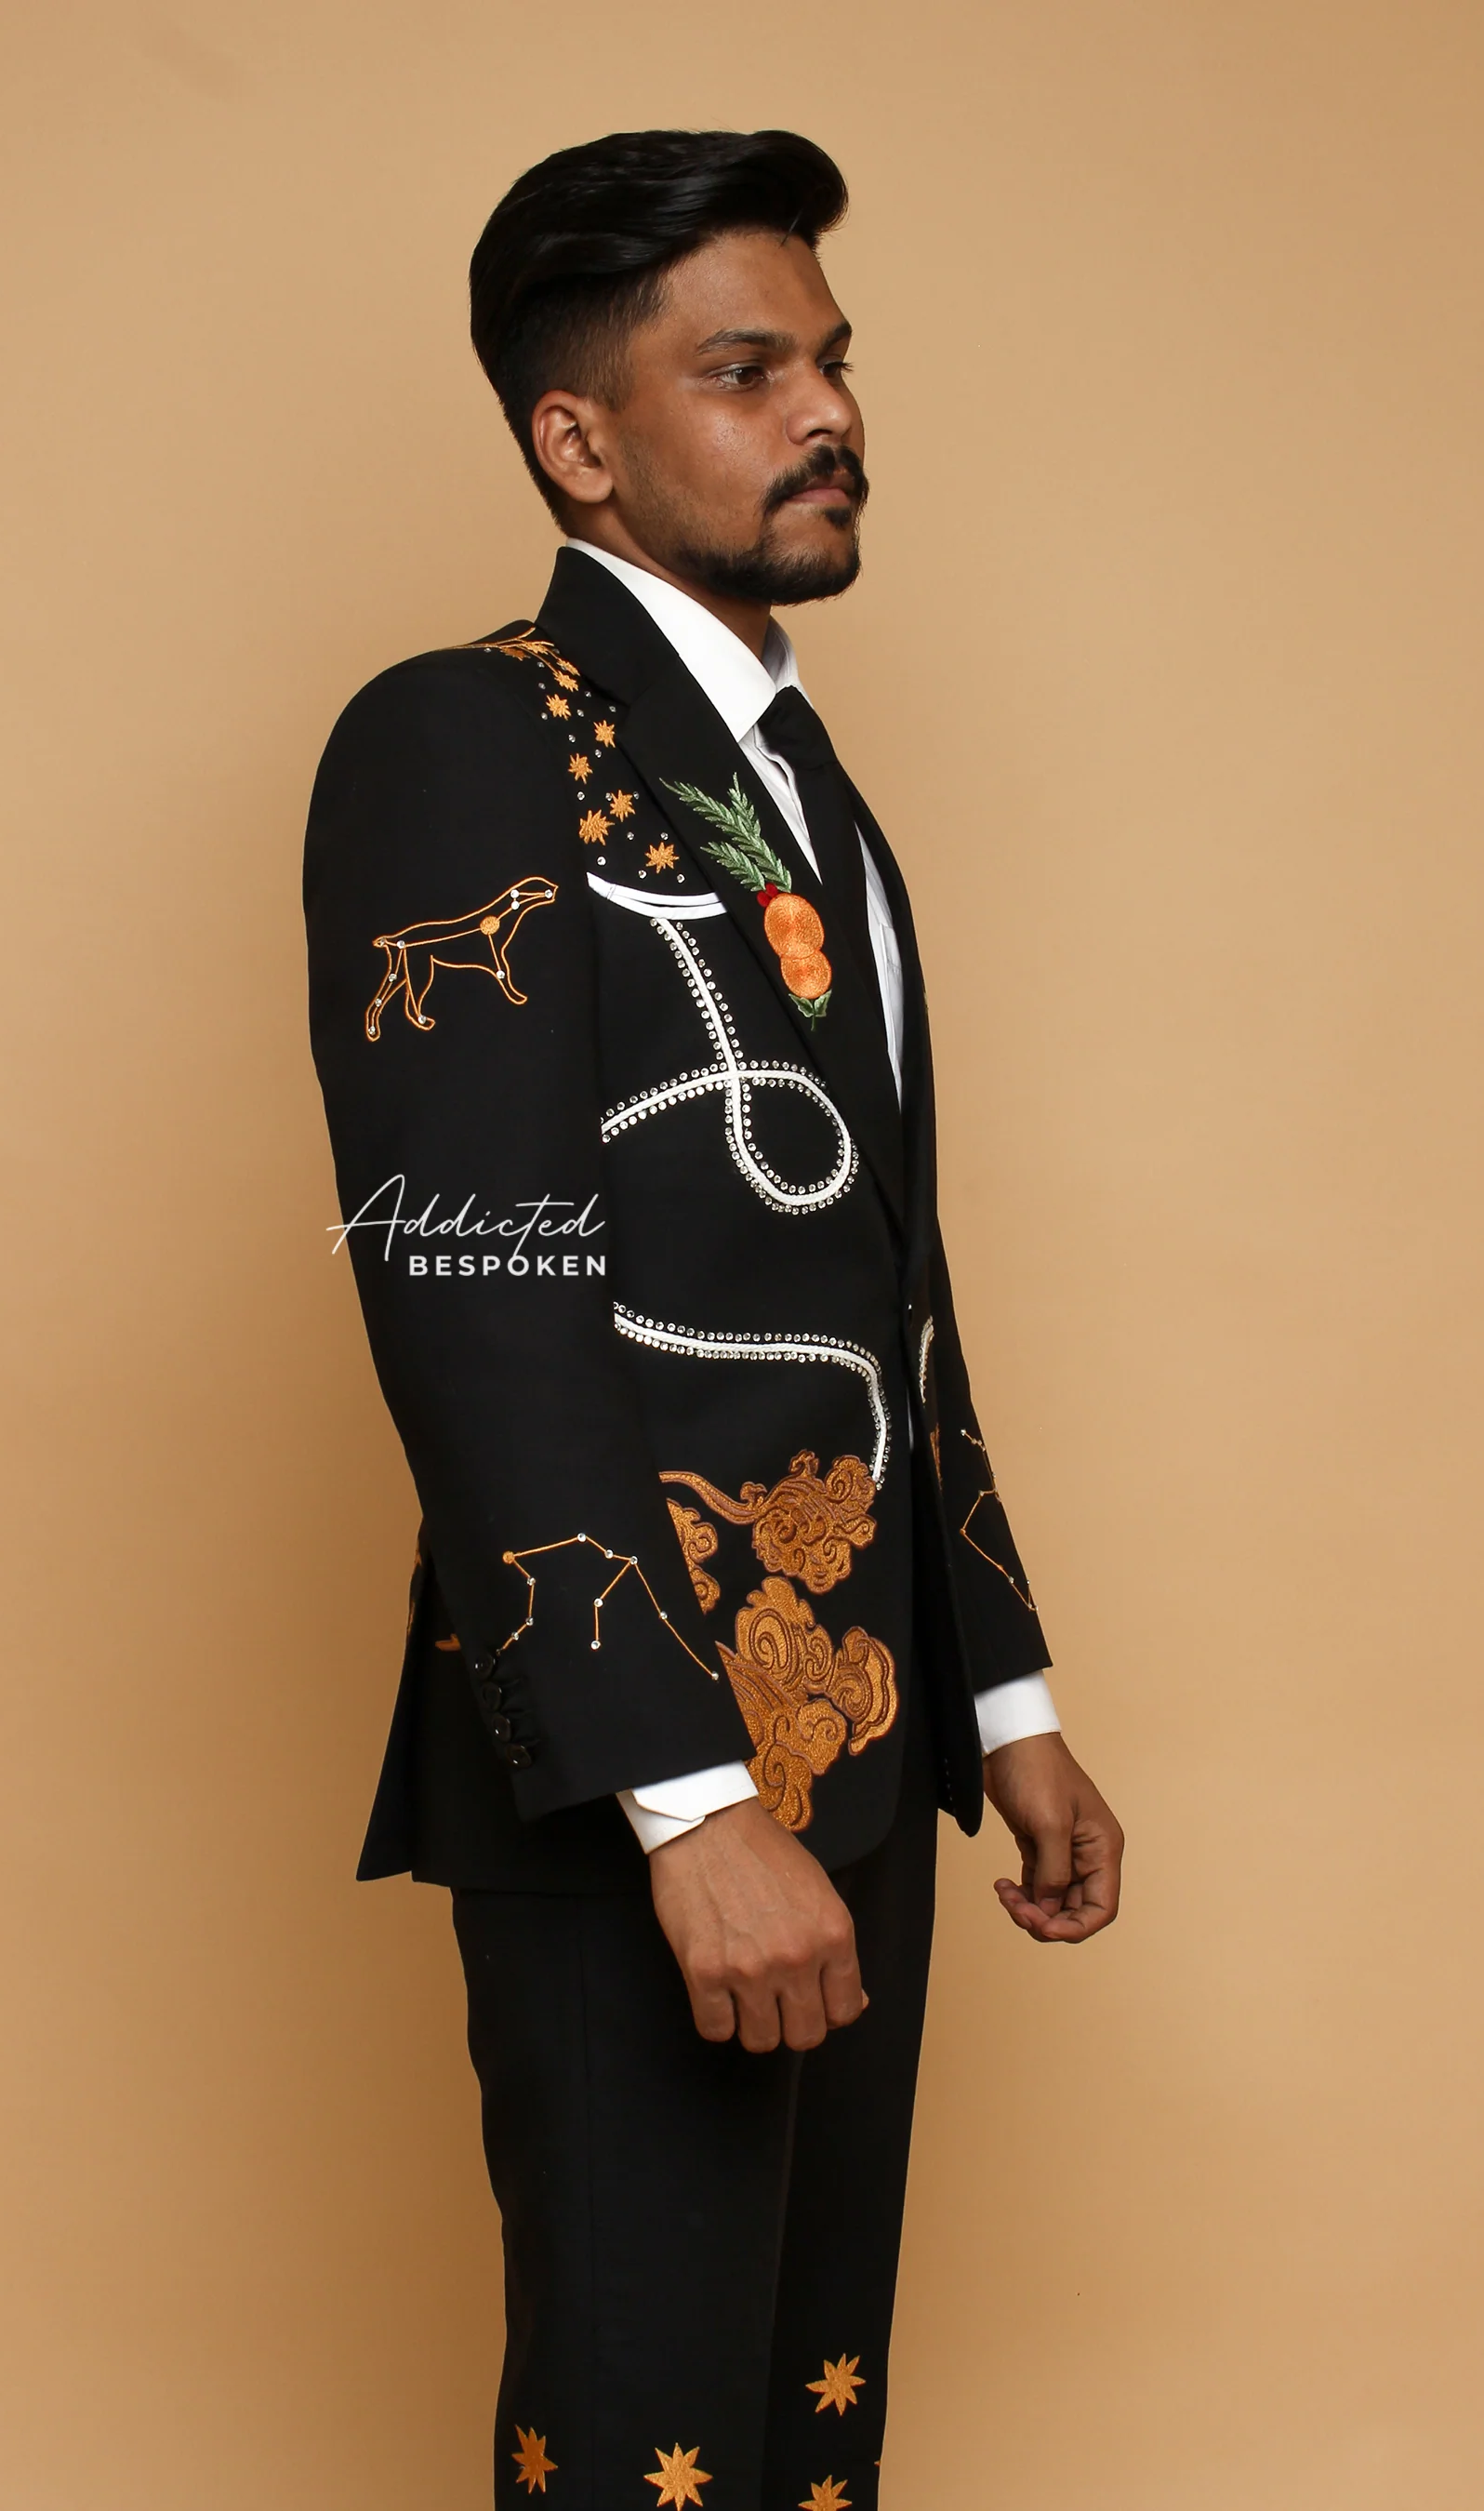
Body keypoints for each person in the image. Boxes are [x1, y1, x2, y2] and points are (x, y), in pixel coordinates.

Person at [304, 126, 1124, 2511]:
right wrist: (685, 1804)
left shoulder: (802, 784)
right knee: (642, 2444)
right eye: (747, 370)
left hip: (863, 1736)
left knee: (803, 2438)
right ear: (579, 440)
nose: (827, 412)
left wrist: (1003, 1692)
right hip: (640, 1769)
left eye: (832, 362)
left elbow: (881, 1278)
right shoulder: (466, 736)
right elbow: (474, 1294)